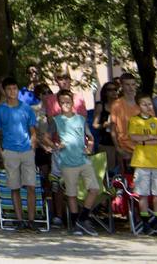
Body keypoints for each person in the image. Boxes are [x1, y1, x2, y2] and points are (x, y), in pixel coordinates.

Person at [0, 75, 39, 231]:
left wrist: (33, 146)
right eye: (9, 89)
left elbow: (33, 130)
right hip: (10, 150)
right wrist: (1, 151)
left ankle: (31, 221)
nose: (12, 91)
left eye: (15, 88)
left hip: (26, 150)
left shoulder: (26, 108)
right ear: (4, 91)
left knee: (31, 185)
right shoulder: (0, 110)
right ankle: (19, 220)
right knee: (14, 186)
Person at [50, 87, 100, 235]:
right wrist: (55, 146)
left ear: (72, 102)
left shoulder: (81, 119)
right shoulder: (56, 120)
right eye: (62, 102)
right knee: (71, 194)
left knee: (94, 189)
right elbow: (46, 137)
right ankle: (75, 224)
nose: (65, 104)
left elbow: (90, 137)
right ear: (59, 104)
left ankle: (82, 218)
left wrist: (89, 148)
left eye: (68, 101)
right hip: (66, 161)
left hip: (83, 159)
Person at [127, 94, 157, 234]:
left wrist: (145, 140)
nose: (148, 106)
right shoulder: (134, 120)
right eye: (144, 104)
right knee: (143, 193)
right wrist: (152, 136)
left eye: (149, 104)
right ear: (139, 106)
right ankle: (145, 222)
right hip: (141, 162)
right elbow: (134, 138)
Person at [109, 72, 141, 171]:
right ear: (122, 86)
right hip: (126, 148)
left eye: (133, 84)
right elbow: (113, 129)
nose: (130, 88)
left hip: (143, 148)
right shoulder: (116, 105)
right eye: (127, 85)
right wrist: (118, 148)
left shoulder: (142, 103)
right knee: (129, 181)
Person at [91, 82, 119, 173]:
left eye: (115, 89)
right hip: (106, 143)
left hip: (121, 141)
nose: (113, 92)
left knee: (121, 171)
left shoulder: (120, 105)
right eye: (110, 90)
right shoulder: (101, 105)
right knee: (107, 171)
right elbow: (94, 125)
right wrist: (104, 125)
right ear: (105, 92)